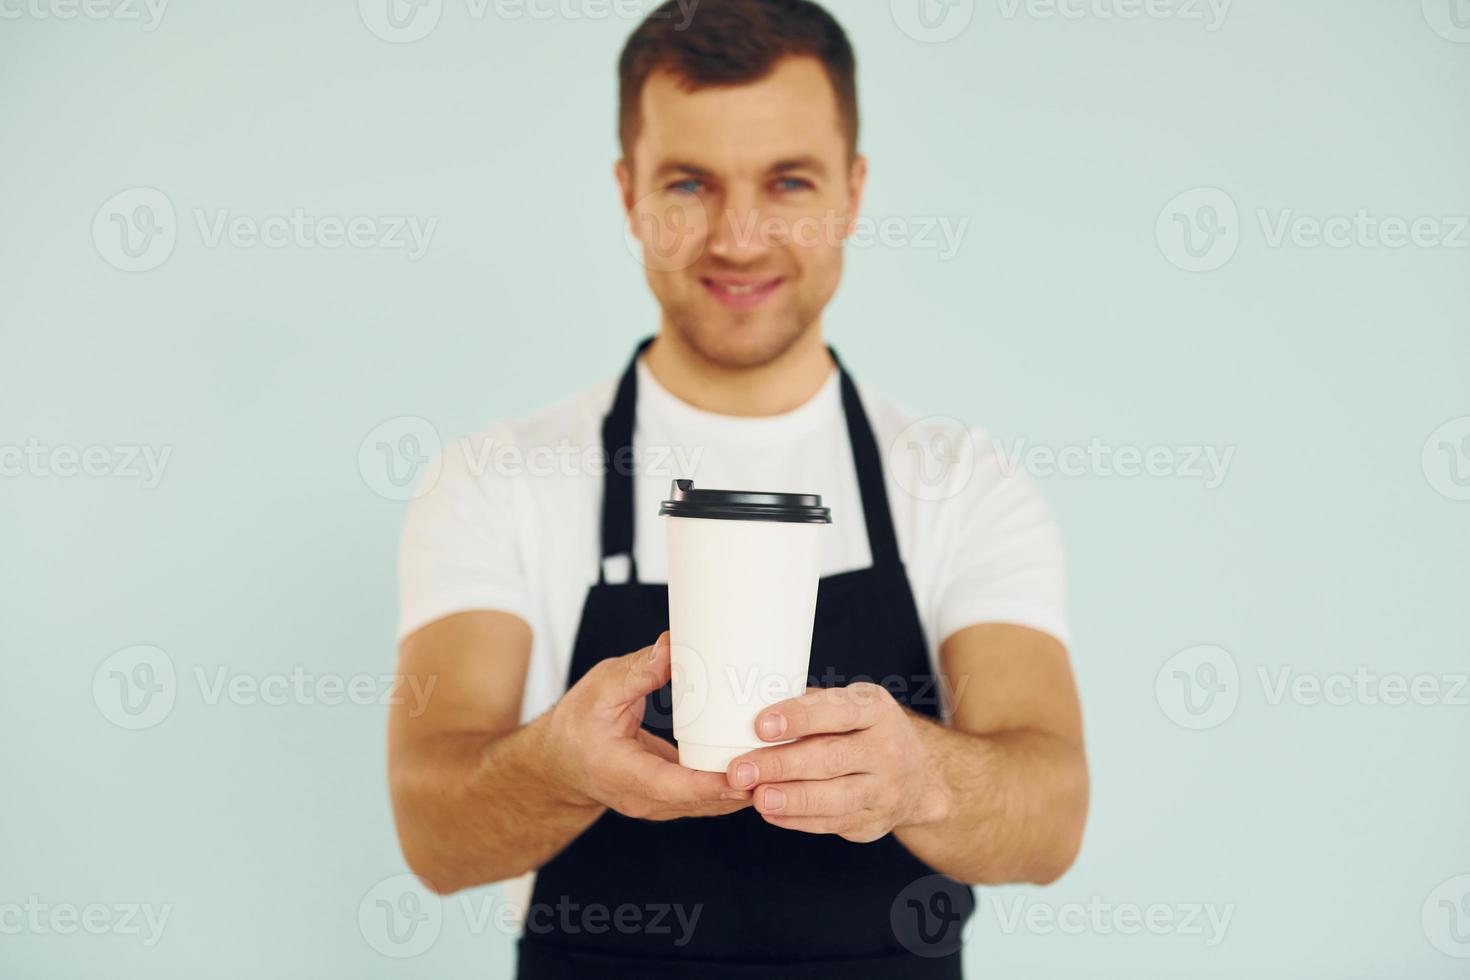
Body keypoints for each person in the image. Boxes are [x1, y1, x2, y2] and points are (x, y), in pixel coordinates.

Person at [389, 2, 1088, 976]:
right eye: (689, 183)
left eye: (789, 180)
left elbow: (1051, 813)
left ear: (853, 190)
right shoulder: (496, 478)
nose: (740, 236)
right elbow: (433, 829)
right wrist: (562, 763)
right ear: (629, 196)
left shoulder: (959, 480)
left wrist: (921, 776)